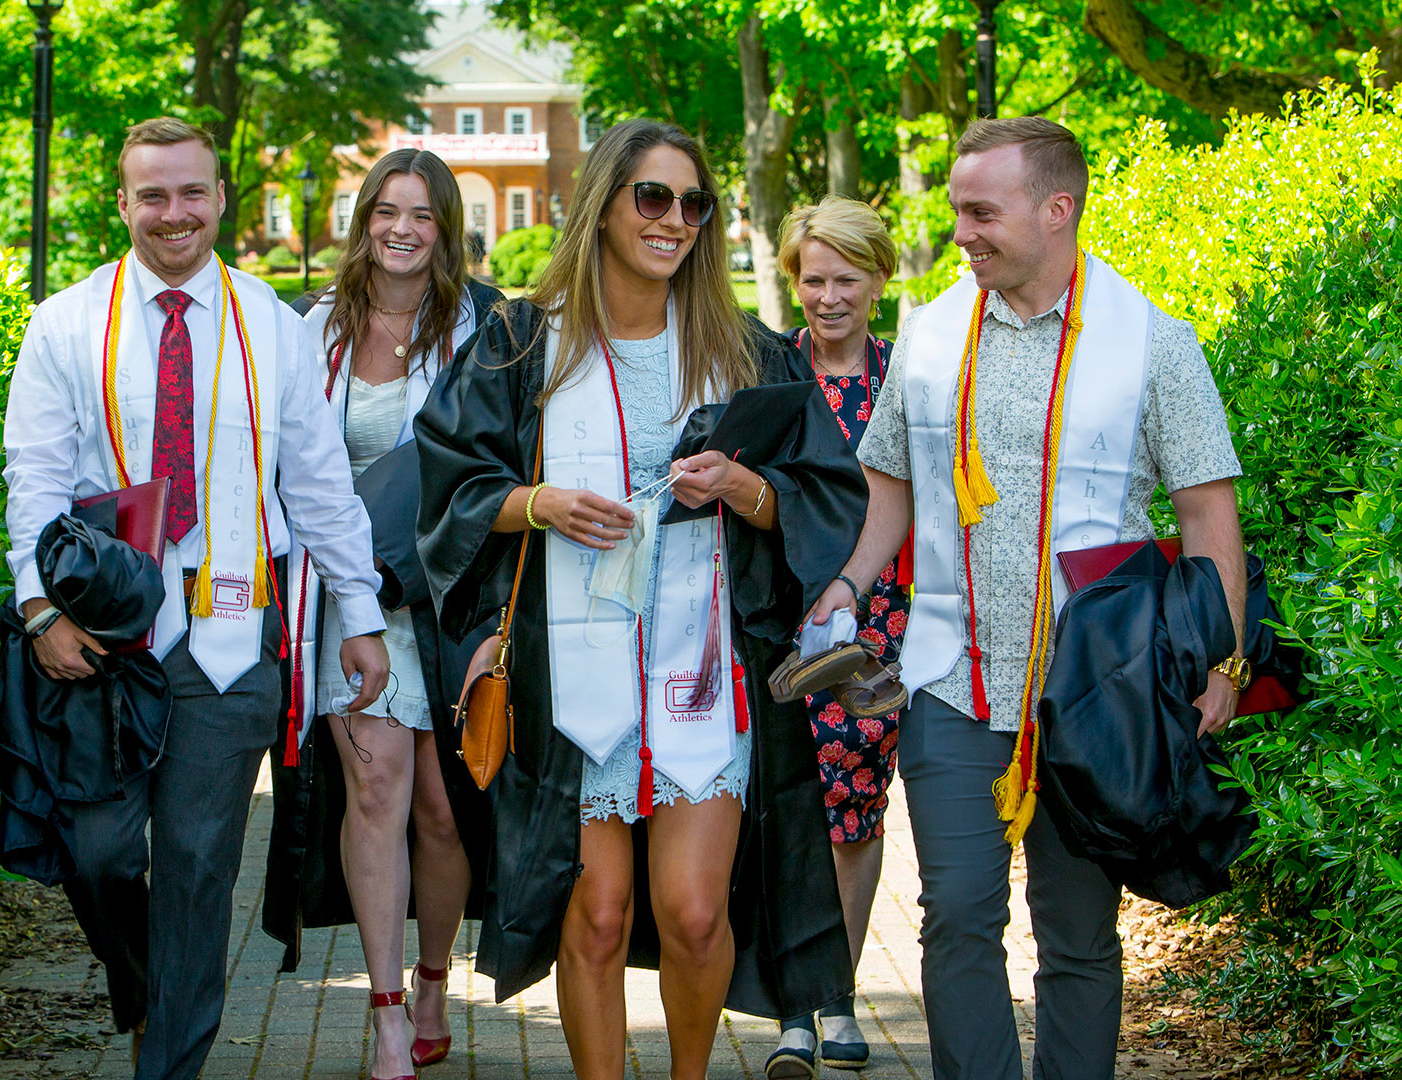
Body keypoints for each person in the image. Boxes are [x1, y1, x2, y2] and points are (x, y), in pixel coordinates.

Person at [416, 118, 865, 1080]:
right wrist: (538, 503)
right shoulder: (521, 343)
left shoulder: (745, 350)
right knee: (600, 911)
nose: (673, 218)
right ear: (604, 205)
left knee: (697, 912)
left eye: (692, 202)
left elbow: (826, 492)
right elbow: (449, 486)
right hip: (572, 668)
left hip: (700, 662)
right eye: (651, 196)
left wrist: (744, 491)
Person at [803, 116, 1248, 1080]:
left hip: (1094, 698)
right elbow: (891, 487)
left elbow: (1209, 514)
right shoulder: (927, 335)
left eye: (980, 211)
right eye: (958, 209)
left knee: (1078, 935)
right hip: (951, 679)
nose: (961, 231)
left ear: (1058, 209)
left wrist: (1224, 661)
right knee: (956, 915)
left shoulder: (1154, 343)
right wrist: (845, 584)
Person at [1, 116, 391, 1080]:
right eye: (152, 195)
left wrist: (363, 612)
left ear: (219, 199)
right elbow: (33, 479)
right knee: (96, 855)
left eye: (190, 193)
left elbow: (318, 482)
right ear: (123, 205)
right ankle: (145, 990)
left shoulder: (270, 324)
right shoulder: (65, 321)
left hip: (230, 639)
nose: (172, 213)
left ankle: (167, 1061)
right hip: (103, 640)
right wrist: (38, 609)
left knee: (198, 866)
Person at [270, 149, 505, 1080]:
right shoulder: (311, 330)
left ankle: (437, 976)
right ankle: (385, 1013)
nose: (401, 229)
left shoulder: (483, 332)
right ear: (362, 218)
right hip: (343, 599)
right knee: (376, 793)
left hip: (445, 601)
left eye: (423, 215)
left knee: (443, 811)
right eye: (385, 210)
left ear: (446, 230)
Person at [766, 195, 903, 1076]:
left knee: (854, 817)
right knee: (787, 813)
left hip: (879, 631)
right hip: (775, 627)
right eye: (812, 279)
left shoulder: (906, 377)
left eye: (845, 278)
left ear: (878, 281)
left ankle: (839, 994)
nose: (827, 295)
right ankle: (788, 1009)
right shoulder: (771, 374)